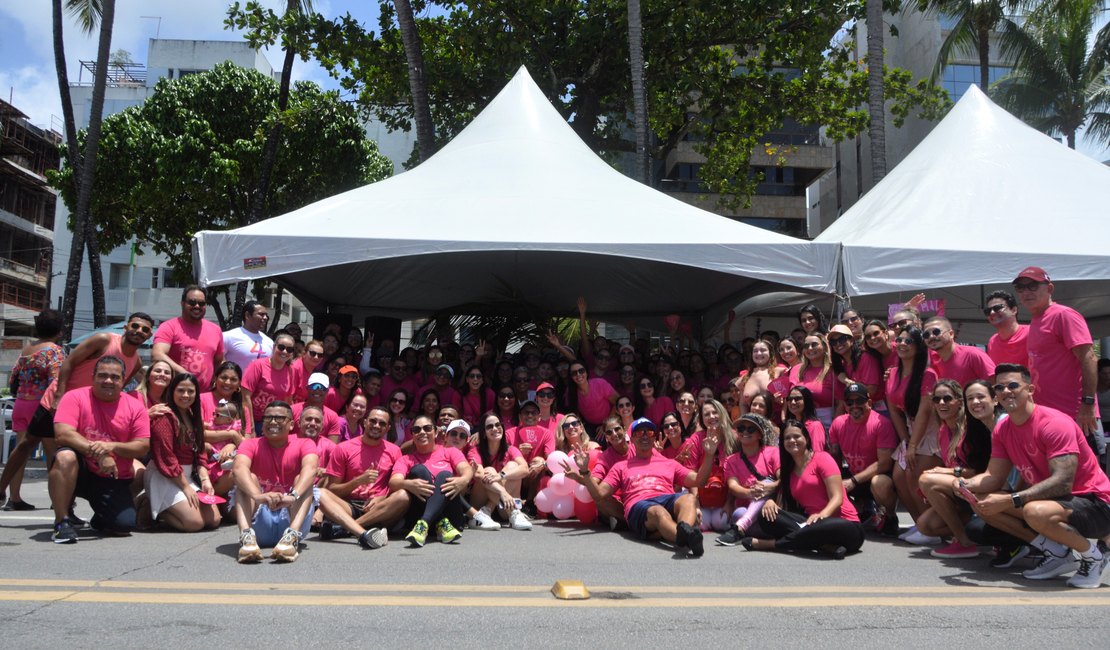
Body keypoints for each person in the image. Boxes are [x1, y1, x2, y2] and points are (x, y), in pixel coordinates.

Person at [960, 364, 1110, 588]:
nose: (1006, 391)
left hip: (1095, 503)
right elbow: (993, 476)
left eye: (1013, 385)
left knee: (1034, 511)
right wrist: (965, 484)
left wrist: (1011, 500)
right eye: (1000, 387)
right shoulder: (1003, 429)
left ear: (1030, 389)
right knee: (981, 500)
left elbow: (1063, 483)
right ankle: (1058, 554)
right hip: (1055, 502)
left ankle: (1093, 556)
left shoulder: (1054, 423)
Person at [568, 418, 717, 557]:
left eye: (649, 432)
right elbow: (599, 495)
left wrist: (709, 454)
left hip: (666, 498)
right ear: (632, 439)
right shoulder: (620, 467)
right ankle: (684, 538)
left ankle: (686, 530)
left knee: (689, 498)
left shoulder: (668, 463)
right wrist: (585, 471)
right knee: (658, 512)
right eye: (639, 432)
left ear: (654, 438)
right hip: (640, 504)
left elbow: (699, 480)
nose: (644, 436)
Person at [48, 356, 151, 543]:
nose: (108, 381)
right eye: (102, 375)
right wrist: (101, 453)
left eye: (114, 377)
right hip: (80, 470)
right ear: (93, 376)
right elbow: (62, 434)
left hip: (111, 475)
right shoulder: (74, 397)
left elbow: (142, 445)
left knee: (123, 526)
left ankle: (103, 515)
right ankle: (61, 521)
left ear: (123, 379)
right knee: (65, 457)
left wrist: (112, 447)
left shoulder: (136, 407)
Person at [742, 419, 865, 559]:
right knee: (766, 516)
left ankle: (771, 544)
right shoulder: (789, 472)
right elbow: (784, 505)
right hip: (810, 524)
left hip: (844, 526)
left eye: (796, 436)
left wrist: (822, 515)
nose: (792, 440)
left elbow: (837, 498)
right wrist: (771, 502)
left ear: (806, 438)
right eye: (787, 438)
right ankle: (823, 545)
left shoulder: (822, 458)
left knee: (820, 526)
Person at [1014, 267, 1102, 453]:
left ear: (1049, 288)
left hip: (1075, 416)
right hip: (1050, 417)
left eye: (1032, 286)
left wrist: (1087, 404)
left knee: (1086, 478)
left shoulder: (1063, 315)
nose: (1026, 292)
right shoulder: (1037, 320)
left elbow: (1089, 357)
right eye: (1020, 288)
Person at [231, 400, 320, 563]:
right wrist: (258, 496)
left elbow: (311, 468)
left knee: (304, 479)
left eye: (279, 418)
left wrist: (292, 496)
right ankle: (247, 538)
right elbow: (238, 469)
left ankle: (291, 537)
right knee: (245, 478)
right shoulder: (250, 444)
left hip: (292, 515)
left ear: (292, 424)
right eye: (268, 418)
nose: (272, 422)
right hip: (260, 517)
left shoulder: (305, 443)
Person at [917, 380, 995, 559]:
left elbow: (979, 470)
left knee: (927, 480)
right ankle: (976, 534)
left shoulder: (973, 428)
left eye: (947, 398)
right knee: (925, 526)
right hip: (961, 489)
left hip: (982, 485)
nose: (941, 403)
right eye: (937, 399)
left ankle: (964, 541)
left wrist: (948, 472)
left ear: (960, 401)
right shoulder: (943, 431)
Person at [316, 405, 405, 549]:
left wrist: (382, 498)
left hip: (378, 507)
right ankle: (365, 532)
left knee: (403, 496)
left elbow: (396, 484)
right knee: (320, 493)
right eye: (373, 421)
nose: (376, 426)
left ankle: (346, 529)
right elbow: (332, 489)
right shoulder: (343, 448)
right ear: (364, 422)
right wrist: (358, 481)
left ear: (388, 428)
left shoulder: (394, 451)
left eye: (382, 423)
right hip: (348, 506)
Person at [2, 309, 64, 510]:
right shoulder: (54, 351)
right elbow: (57, 382)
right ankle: (57, 500)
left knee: (20, 451)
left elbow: (13, 379)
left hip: (21, 402)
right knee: (51, 452)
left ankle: (15, 498)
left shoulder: (27, 349)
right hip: (42, 405)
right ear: (59, 331)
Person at [885, 325, 941, 544]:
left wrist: (914, 445)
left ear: (918, 348)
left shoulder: (928, 374)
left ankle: (933, 530)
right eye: (899, 340)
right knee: (899, 476)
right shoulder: (893, 373)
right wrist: (905, 440)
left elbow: (926, 412)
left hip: (928, 428)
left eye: (908, 341)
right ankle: (921, 524)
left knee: (913, 475)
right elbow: (893, 409)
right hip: (909, 428)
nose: (902, 344)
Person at [145, 373, 221, 532]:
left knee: (213, 520)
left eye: (190, 391)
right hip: (165, 476)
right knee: (194, 523)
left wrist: (205, 479)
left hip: (186, 476)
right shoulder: (165, 417)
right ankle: (150, 506)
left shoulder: (194, 417)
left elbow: (200, 453)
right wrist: (186, 488)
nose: (185, 395)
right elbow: (167, 458)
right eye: (180, 390)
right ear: (172, 391)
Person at [391, 415, 474, 547]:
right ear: (412, 435)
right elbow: (394, 482)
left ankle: (425, 522)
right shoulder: (405, 459)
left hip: (451, 519)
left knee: (444, 475)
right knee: (418, 471)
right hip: (417, 516)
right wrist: (408, 484)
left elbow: (466, 469)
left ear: (435, 432)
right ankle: (434, 523)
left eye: (427, 428)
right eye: (417, 430)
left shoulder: (450, 452)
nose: (422, 432)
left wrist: (463, 480)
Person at [827, 384, 898, 536]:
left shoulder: (881, 423)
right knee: (825, 480)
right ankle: (858, 512)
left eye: (859, 401)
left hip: (875, 476)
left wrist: (852, 481)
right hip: (854, 475)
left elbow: (885, 463)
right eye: (849, 402)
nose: (854, 406)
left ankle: (890, 516)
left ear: (869, 403)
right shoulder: (838, 423)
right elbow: (834, 458)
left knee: (880, 483)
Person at [717, 413, 781, 546]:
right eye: (741, 429)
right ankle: (749, 527)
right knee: (738, 513)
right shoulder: (731, 460)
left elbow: (783, 479)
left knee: (767, 482)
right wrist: (751, 493)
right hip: (748, 511)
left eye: (751, 429)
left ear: (760, 434)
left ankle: (740, 528)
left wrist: (770, 489)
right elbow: (733, 486)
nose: (745, 432)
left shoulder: (772, 452)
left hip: (773, 508)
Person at [152, 285, 224, 391]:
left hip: (203, 397)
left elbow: (219, 361)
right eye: (192, 302)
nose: (197, 306)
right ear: (182, 303)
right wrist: (185, 374)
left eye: (201, 303)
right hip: (173, 394)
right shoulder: (169, 326)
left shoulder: (216, 330)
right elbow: (157, 355)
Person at [469, 413, 532, 530]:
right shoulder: (475, 451)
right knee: (489, 470)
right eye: (489, 427)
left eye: (498, 425)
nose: (495, 428)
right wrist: (502, 491)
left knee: (513, 465)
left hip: (504, 507)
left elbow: (525, 469)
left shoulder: (511, 449)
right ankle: (513, 512)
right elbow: (478, 474)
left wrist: (501, 475)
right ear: (483, 433)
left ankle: (509, 513)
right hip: (481, 504)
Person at [241, 331, 298, 433]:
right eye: (281, 347)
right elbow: (245, 397)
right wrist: (250, 428)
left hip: (274, 422)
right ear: (274, 346)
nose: (285, 351)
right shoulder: (258, 366)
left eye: (289, 349)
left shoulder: (290, 371)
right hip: (255, 420)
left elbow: (287, 401)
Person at [924, 316, 996, 389]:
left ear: (951, 334)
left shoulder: (972, 354)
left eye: (936, 332)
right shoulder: (931, 362)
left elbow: (994, 384)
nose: (931, 337)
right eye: (926, 335)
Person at [790, 334, 836, 428]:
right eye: (806, 346)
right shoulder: (796, 369)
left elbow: (840, 404)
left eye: (814, 344)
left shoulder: (833, 371)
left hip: (827, 424)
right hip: (800, 423)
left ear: (824, 346)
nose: (810, 348)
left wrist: (834, 429)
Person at [565, 359, 617, 432]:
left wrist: (607, 424)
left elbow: (618, 402)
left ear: (586, 372)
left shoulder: (600, 383)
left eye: (581, 371)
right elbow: (575, 413)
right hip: (588, 426)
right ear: (571, 377)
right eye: (574, 373)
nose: (578, 374)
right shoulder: (570, 391)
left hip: (610, 421)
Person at [222, 300, 273, 372]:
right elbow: (217, 361)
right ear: (247, 315)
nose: (265, 318)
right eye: (261, 314)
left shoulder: (269, 342)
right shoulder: (228, 337)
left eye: (266, 315)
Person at [984, 290, 1029, 367]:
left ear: (1013, 310)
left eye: (997, 308)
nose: (992, 313)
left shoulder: (1031, 333)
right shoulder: (992, 341)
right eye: (988, 311)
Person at [292, 373, 342, 441]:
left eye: (322, 388)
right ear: (307, 388)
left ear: (327, 391)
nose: (317, 390)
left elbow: (332, 447)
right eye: (314, 386)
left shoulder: (333, 416)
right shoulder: (292, 410)